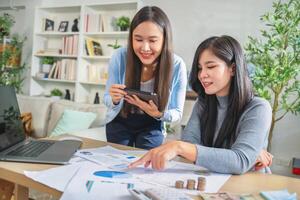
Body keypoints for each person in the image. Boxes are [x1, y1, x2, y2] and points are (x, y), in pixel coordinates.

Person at [129, 35, 272, 174]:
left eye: (210, 66)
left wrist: (179, 147)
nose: (202, 74)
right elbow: (190, 143)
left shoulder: (258, 108)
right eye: (199, 68)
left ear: (233, 69)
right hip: (215, 180)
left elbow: (239, 161)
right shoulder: (204, 103)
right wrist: (246, 154)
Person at [103, 6, 187, 150]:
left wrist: (159, 114)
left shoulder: (177, 65)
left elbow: (177, 112)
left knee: (147, 167)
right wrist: (114, 99)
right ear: (131, 38)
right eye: (138, 39)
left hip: (152, 123)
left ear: (164, 40)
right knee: (115, 163)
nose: (145, 48)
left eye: (153, 40)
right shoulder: (120, 56)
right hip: (120, 120)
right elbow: (107, 99)